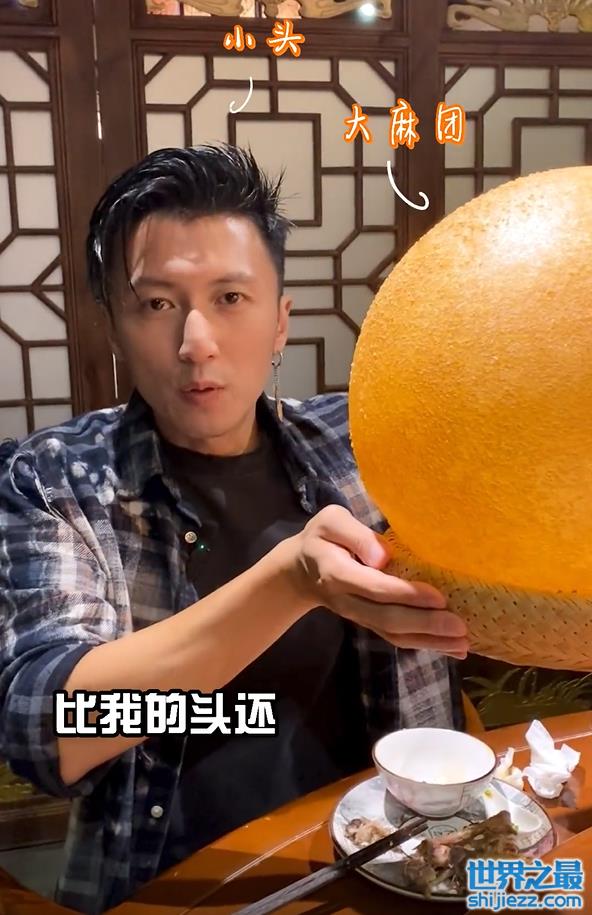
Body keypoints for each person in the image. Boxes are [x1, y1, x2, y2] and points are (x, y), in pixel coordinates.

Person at [0, 144, 468, 915]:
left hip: (393, 870)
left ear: (280, 320)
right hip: (175, 891)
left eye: (230, 297)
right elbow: (48, 731)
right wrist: (289, 581)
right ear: (114, 327)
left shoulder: (363, 445)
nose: (196, 341)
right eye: (157, 304)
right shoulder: (59, 480)